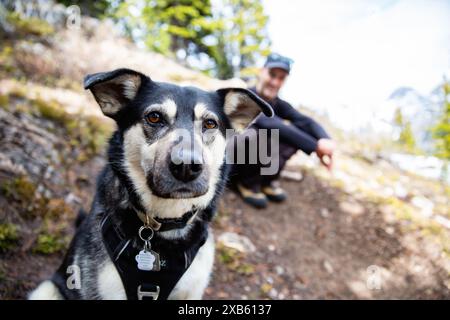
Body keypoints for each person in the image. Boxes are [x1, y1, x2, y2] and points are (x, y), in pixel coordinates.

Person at [230, 53, 335, 208]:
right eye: (272, 75)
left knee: (291, 137)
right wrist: (315, 147)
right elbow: (271, 123)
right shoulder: (244, 97)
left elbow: (305, 121)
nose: (275, 82)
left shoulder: (279, 104)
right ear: (261, 71)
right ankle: (247, 183)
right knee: (261, 134)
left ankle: (266, 180)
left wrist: (324, 139)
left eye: (281, 78)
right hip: (232, 161)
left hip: (255, 155)